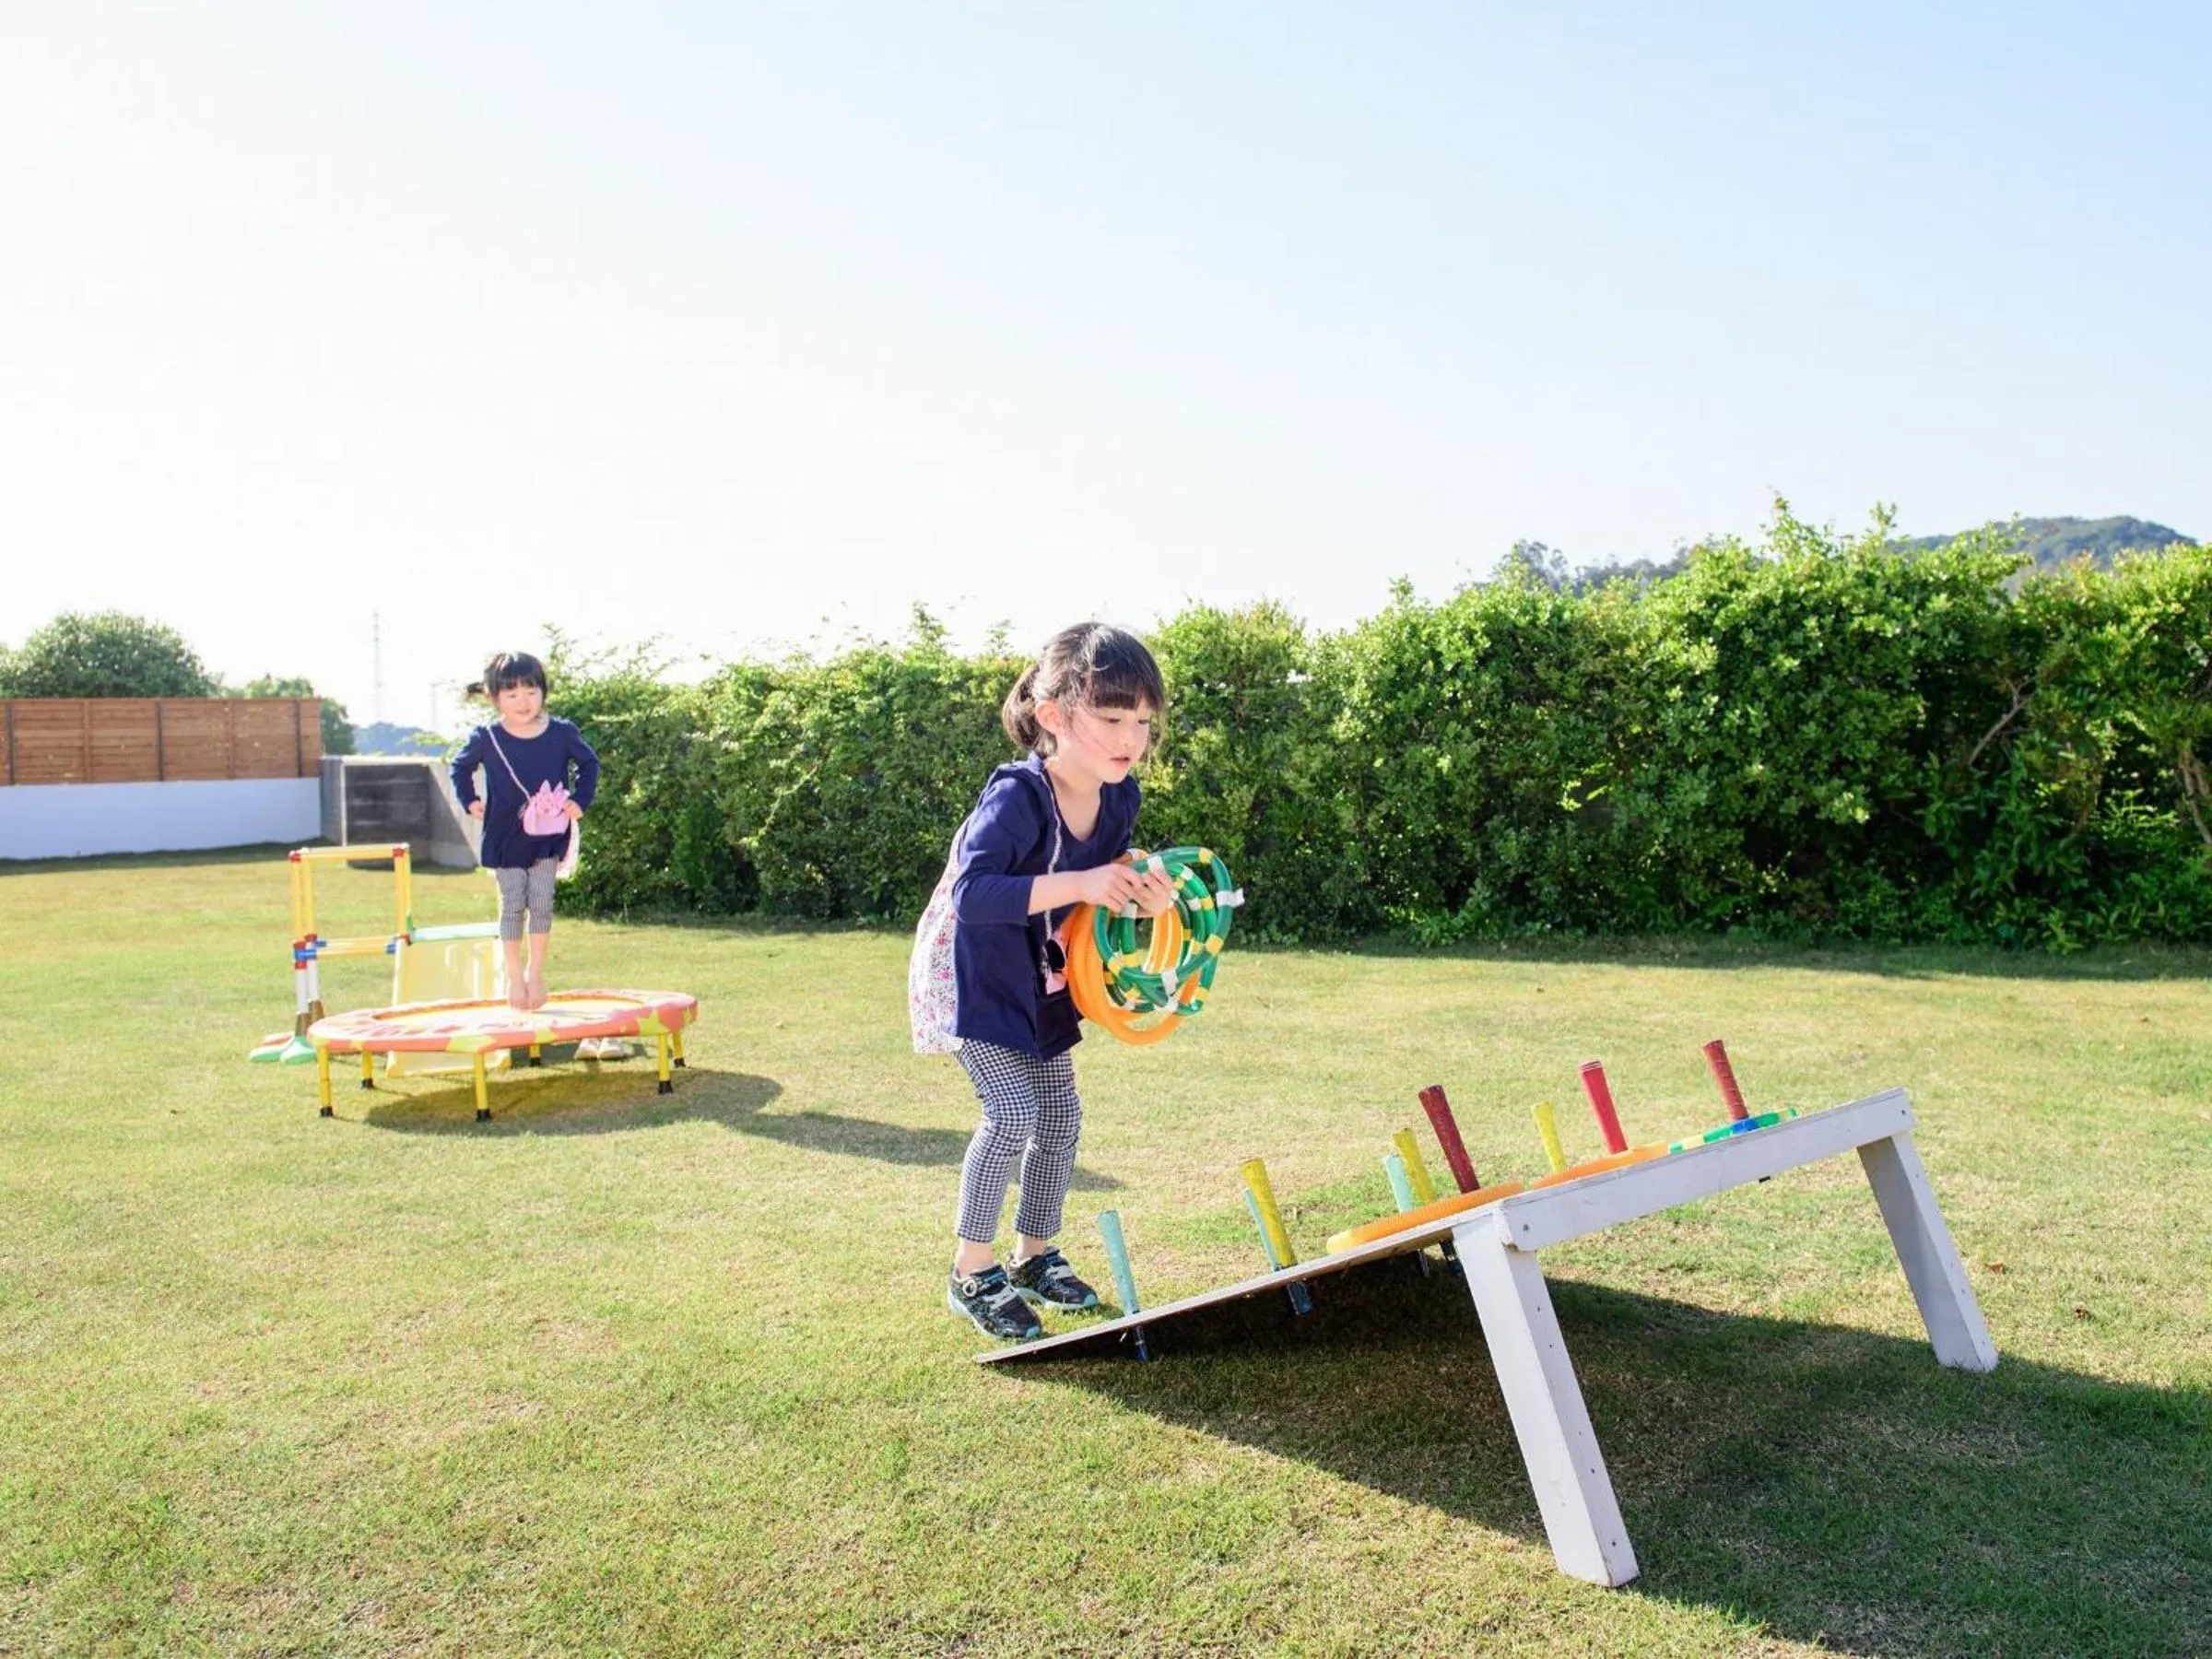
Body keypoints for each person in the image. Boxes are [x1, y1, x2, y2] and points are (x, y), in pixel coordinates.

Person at [934, 624, 1176, 1341]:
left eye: (1142, 720)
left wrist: (1140, 885)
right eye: (1111, 717)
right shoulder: (1016, 797)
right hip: (972, 975)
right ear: (1053, 716)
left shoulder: (1118, 794)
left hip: (1041, 975)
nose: (1130, 736)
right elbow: (973, 897)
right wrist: (1087, 881)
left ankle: (1033, 1256)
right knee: (1011, 1116)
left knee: (1061, 1119)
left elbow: (1107, 873)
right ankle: (972, 1272)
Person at [450, 652, 598, 1013]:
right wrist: (470, 800)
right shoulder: (487, 736)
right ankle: (514, 976)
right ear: (495, 697)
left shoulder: (562, 732)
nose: (523, 702)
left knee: (542, 902)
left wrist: (581, 800)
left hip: (548, 835)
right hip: (504, 837)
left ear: (543, 692)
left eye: (531, 691)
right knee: (513, 905)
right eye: (512, 694)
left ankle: (536, 973)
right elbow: (460, 767)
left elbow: (589, 763)